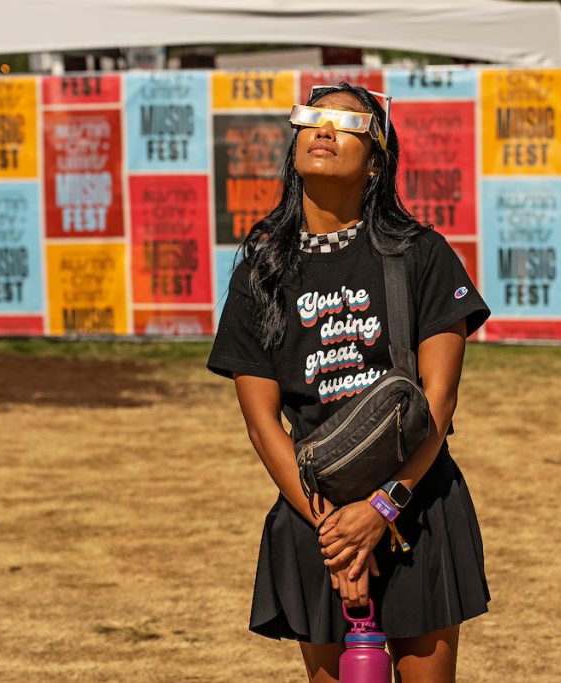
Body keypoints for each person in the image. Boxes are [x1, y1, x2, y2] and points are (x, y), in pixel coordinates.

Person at [207, 82, 490, 683]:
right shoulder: (262, 270)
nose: (325, 130)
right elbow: (263, 424)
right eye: (312, 119)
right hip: (315, 512)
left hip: (417, 501)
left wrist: (382, 508)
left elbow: (438, 405)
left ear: (378, 156)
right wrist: (336, 531)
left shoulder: (422, 255)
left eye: (347, 123)